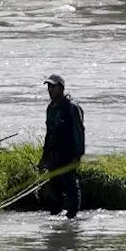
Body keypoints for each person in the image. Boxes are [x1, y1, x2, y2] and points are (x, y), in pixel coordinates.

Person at [40, 74, 85, 218]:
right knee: (54, 187)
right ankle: (55, 217)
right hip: (54, 156)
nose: (50, 89)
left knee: (71, 186)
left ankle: (72, 219)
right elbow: (49, 134)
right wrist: (44, 158)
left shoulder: (72, 108)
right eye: (48, 86)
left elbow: (79, 133)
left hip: (68, 154)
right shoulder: (51, 108)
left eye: (53, 86)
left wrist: (77, 156)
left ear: (61, 88)